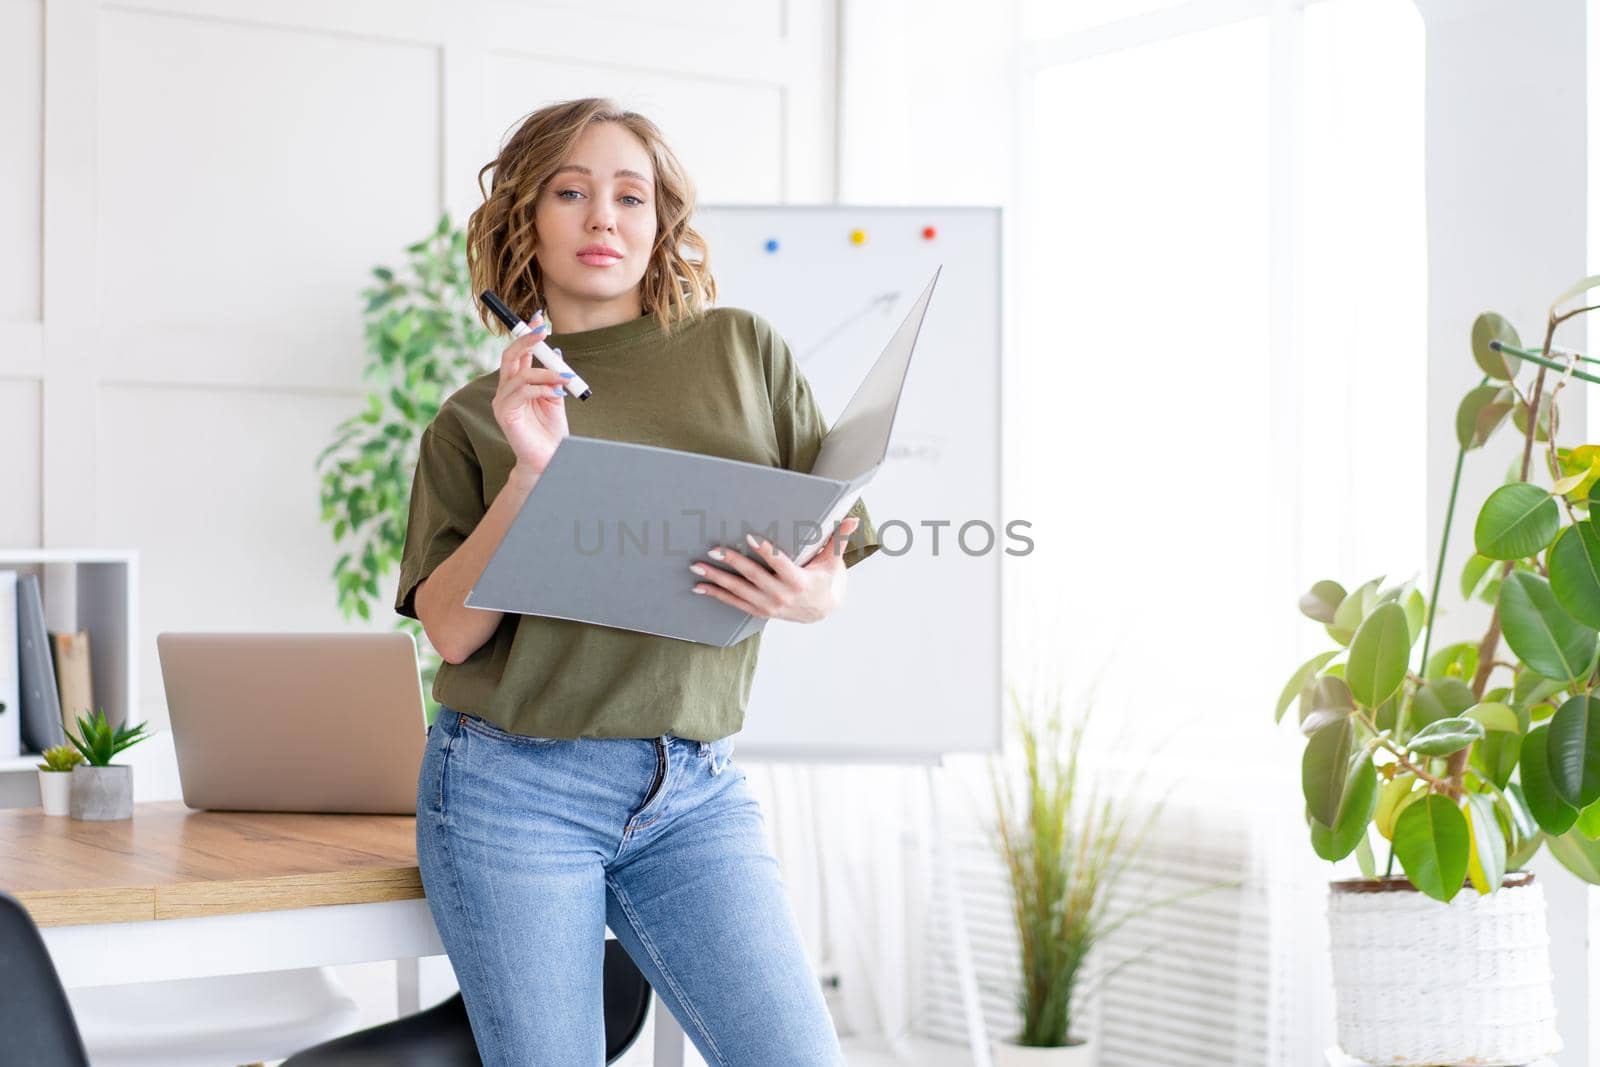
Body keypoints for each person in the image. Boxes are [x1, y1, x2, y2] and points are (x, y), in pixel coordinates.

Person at [394, 97, 879, 1066]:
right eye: (570, 192)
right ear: (526, 217)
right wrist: (534, 473)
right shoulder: (474, 418)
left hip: (694, 785)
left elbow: (835, 565)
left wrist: (805, 594)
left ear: (661, 221)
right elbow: (450, 631)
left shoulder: (743, 350)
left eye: (630, 194)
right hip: (511, 787)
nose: (603, 217)